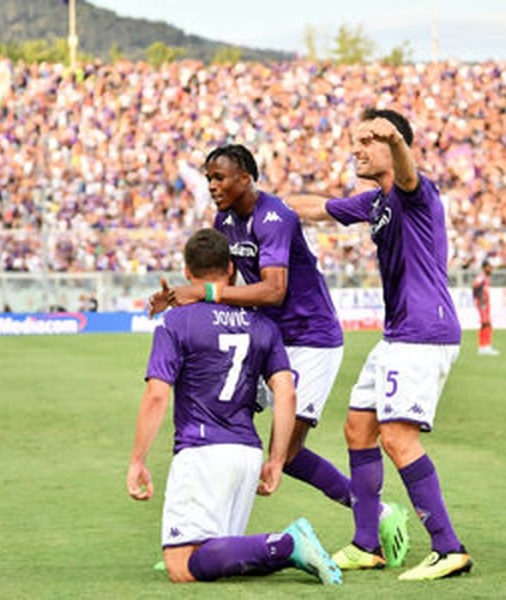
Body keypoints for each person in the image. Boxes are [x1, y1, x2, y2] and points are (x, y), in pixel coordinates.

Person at [150, 144, 411, 568]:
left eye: (220, 178)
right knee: (220, 427)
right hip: (266, 335)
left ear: (246, 179)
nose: (212, 185)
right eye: (209, 178)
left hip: (310, 339)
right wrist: (184, 302)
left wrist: (205, 293)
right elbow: (223, 281)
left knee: (284, 455)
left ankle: (378, 514)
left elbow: (274, 289)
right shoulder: (226, 221)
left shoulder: (275, 218)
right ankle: (200, 540)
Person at [287, 108, 473, 581]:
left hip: (422, 334)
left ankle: (449, 547)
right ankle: (367, 543)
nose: (356, 149)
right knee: (358, 429)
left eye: (367, 142)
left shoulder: (416, 192)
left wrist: (394, 139)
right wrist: (263, 202)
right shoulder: (375, 203)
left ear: (393, 146)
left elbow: (408, 172)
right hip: (397, 336)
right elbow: (318, 207)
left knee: (397, 437)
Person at [126, 228, 342, 585]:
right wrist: (276, 458)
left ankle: (287, 545)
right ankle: (278, 549)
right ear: (231, 269)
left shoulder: (176, 323)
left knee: (182, 565)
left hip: (203, 450)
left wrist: (137, 460)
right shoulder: (262, 325)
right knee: (213, 556)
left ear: (187, 273)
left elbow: (157, 394)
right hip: (247, 454)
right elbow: (286, 393)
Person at [472, 260, 500, 355]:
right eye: (489, 267)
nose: (491, 269)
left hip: (485, 303)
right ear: (484, 267)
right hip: (482, 303)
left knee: (487, 324)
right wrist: (480, 300)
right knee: (486, 323)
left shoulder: (486, 278)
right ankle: (484, 346)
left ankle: (485, 346)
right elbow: (475, 287)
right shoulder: (481, 277)